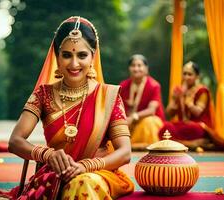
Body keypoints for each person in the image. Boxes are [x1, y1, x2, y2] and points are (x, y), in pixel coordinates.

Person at [8, 16, 134, 199]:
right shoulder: (43, 94)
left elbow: (125, 152)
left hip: (98, 175)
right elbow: (15, 141)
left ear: (93, 56)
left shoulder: (109, 96)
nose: (74, 64)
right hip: (56, 176)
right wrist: (48, 155)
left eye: (82, 55)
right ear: (56, 57)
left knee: (83, 184)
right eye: (66, 55)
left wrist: (86, 166)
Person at [159, 61, 224, 151]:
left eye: (190, 74)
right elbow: (168, 114)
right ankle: (192, 144)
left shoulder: (202, 91)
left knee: (194, 129)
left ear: (197, 76)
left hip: (198, 127)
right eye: (184, 74)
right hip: (183, 126)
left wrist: (189, 102)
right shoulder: (178, 90)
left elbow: (197, 112)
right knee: (165, 128)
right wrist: (174, 100)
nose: (186, 77)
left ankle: (183, 144)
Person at [120, 54, 165, 148]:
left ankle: (148, 147)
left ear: (146, 68)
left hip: (149, 123)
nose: (136, 69)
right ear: (129, 68)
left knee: (149, 122)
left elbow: (151, 111)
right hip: (129, 123)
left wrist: (134, 117)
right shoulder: (123, 85)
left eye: (139, 65)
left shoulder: (154, 85)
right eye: (133, 65)